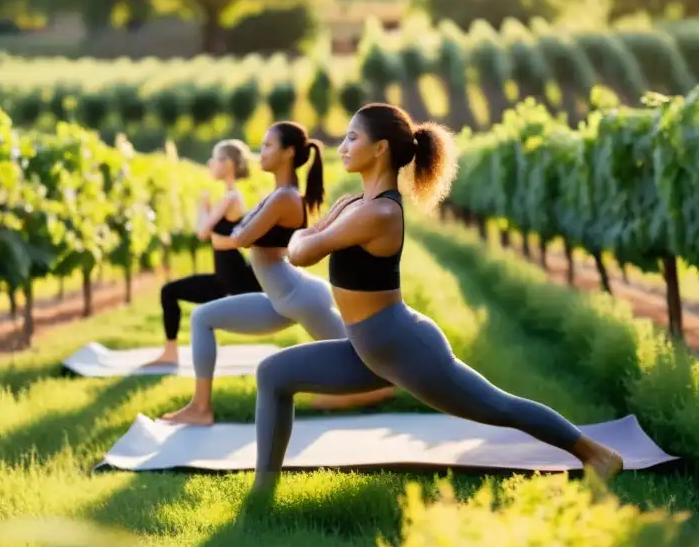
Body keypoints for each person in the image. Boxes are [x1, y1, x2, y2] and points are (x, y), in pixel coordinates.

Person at [249, 103, 625, 493]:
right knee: (273, 374)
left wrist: (297, 237)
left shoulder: (379, 213)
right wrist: (304, 237)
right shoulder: (351, 204)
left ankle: (597, 454)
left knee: (499, 407)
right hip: (366, 348)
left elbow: (303, 251)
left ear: (380, 149)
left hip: (404, 348)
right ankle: (262, 496)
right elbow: (308, 240)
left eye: (352, 137)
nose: (342, 146)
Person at [159, 120, 395, 426]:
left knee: (362, 357)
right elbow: (242, 232)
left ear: (288, 152)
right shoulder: (276, 196)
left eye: (268, 145)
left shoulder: (285, 197)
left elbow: (241, 238)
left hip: (300, 298)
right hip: (279, 298)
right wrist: (241, 226)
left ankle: (384, 386)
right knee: (202, 317)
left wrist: (239, 226)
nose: (261, 153)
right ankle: (200, 408)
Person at [144, 139, 263, 368]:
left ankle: (172, 353)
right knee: (169, 292)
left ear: (228, 164)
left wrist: (203, 204)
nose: (209, 163)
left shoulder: (230, 197)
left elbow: (201, 231)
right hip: (225, 279)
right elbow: (208, 233)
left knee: (170, 292)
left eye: (215, 158)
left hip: (233, 280)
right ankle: (171, 353)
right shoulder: (230, 196)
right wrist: (207, 210)